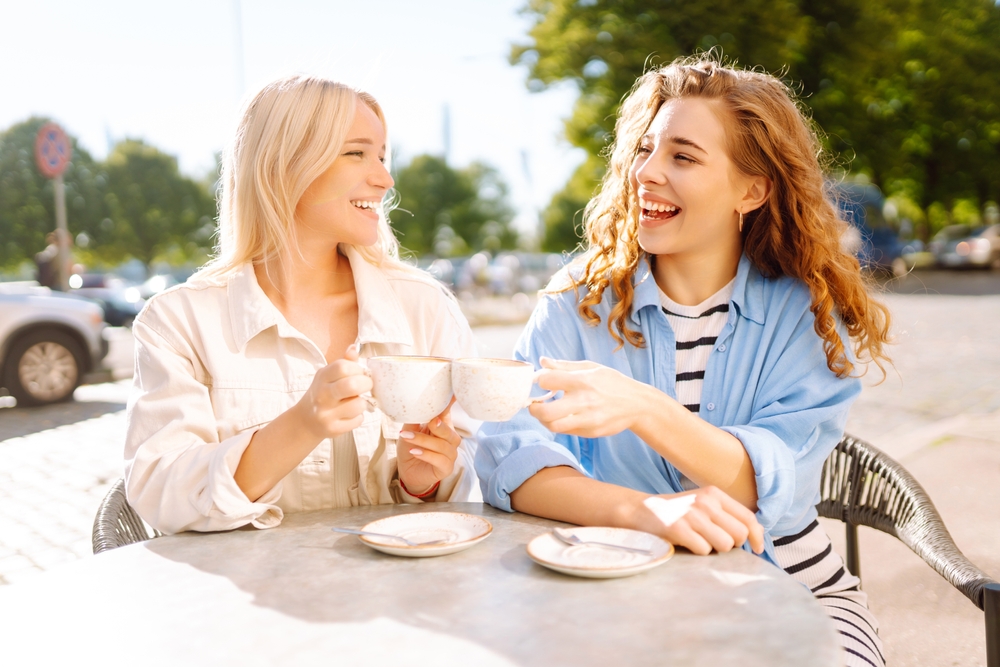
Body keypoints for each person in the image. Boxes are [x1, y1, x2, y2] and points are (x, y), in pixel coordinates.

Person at [476, 56, 891, 667]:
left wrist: (643, 408)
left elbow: (762, 485)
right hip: (621, 586)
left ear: (751, 190)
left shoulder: (805, 312)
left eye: (683, 157)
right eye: (645, 150)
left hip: (795, 586)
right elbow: (512, 455)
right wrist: (644, 511)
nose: (646, 173)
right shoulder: (576, 301)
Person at [125, 75, 480, 535]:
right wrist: (300, 426)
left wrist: (423, 485)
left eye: (382, 156)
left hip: (395, 597)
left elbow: (472, 471)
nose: (385, 179)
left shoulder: (426, 307)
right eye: (356, 153)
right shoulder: (177, 323)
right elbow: (160, 495)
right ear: (284, 165)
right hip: (242, 599)